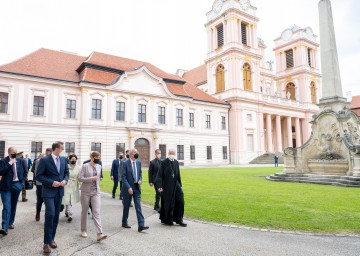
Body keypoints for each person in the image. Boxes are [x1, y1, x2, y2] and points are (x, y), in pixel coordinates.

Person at [36, 142, 69, 254]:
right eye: (62, 148)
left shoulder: (64, 159)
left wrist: (65, 180)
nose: (63, 150)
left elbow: (66, 173)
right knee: (50, 214)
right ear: (56, 149)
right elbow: (39, 176)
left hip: (59, 192)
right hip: (48, 191)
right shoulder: (44, 160)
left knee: (55, 216)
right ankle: (46, 243)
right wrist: (51, 182)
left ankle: (51, 239)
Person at [78, 151, 107, 242]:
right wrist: (91, 179)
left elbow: (99, 177)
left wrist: (98, 180)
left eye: (99, 157)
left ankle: (99, 233)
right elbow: (80, 178)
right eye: (97, 157)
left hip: (96, 192)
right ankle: (83, 230)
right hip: (85, 192)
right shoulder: (85, 166)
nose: (98, 159)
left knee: (96, 212)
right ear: (92, 157)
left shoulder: (99, 166)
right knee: (85, 210)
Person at [0, 147, 28, 236]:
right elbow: (1, 172)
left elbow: (25, 172)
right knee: (6, 206)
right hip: (5, 187)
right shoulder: (3, 161)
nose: (14, 154)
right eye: (12, 152)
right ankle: (4, 227)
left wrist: (22, 183)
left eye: (15, 152)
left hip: (17, 185)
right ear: (8, 153)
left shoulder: (21, 161)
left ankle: (11, 222)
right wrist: (9, 163)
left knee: (13, 205)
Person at [156, 149, 187, 227]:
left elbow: (178, 173)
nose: (171, 154)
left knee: (180, 201)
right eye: (170, 153)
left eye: (173, 153)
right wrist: (159, 186)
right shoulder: (164, 163)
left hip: (176, 185)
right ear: (168, 153)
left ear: (175, 154)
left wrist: (180, 184)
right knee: (169, 203)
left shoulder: (176, 162)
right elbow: (159, 175)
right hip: (167, 186)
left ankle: (179, 219)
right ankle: (168, 219)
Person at [121, 148, 149, 232]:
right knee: (126, 206)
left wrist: (140, 179)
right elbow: (123, 177)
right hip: (128, 188)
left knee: (138, 206)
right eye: (133, 153)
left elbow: (140, 173)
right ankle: (124, 222)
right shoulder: (124, 163)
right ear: (129, 154)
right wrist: (128, 187)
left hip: (136, 187)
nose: (135, 154)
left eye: (136, 153)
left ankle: (141, 225)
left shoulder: (138, 162)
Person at [62, 154, 80, 222]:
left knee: (71, 199)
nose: (73, 161)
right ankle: (69, 212)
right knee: (67, 198)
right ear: (69, 159)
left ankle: (69, 212)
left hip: (74, 185)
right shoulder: (66, 167)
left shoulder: (78, 167)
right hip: (66, 184)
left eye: (75, 159)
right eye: (72, 159)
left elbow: (79, 177)